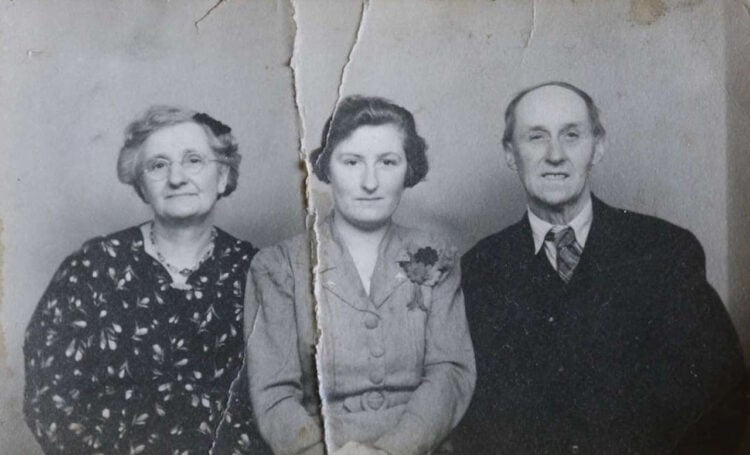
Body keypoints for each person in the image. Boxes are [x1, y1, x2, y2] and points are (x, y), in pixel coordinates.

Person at [454, 81, 749, 453]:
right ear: (511, 153)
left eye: (572, 135)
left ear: (598, 147)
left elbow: (722, 394)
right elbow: (467, 413)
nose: (555, 155)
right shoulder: (480, 268)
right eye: (536, 137)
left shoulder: (665, 252)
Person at [23, 106, 269, 454]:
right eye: (158, 165)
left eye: (193, 160)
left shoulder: (259, 271)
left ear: (224, 176)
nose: (176, 178)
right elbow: (50, 396)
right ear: (141, 184)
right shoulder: (93, 268)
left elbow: (280, 397)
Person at [246, 96, 475, 455]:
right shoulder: (277, 267)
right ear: (326, 169)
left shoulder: (438, 257)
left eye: (387, 162)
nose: (370, 182)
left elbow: (449, 374)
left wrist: (391, 451)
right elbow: (273, 394)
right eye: (351, 162)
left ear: (409, 169)